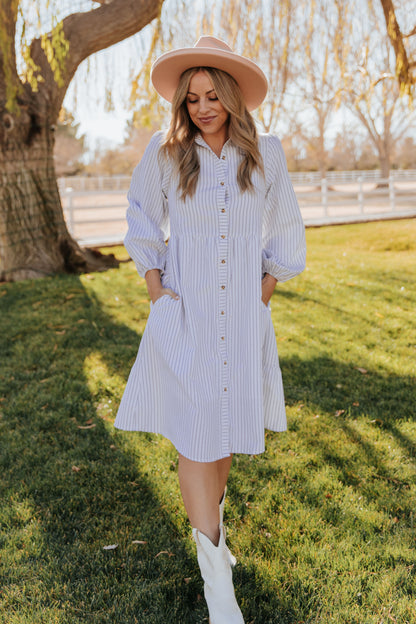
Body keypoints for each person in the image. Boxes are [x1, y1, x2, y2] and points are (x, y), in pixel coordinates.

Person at [114, 36, 306, 624]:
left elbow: (287, 238)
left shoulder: (265, 154)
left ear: (232, 97)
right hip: (186, 313)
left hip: (244, 320)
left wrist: (262, 296)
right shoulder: (167, 152)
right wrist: (158, 295)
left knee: (219, 437)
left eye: (212, 95)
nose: (201, 107)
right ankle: (217, 584)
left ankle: (215, 545)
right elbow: (142, 219)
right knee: (197, 435)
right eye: (191, 97)